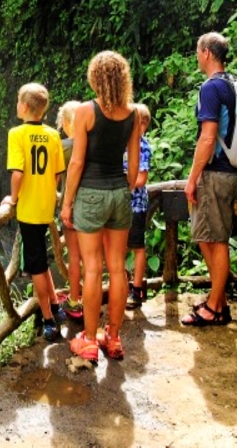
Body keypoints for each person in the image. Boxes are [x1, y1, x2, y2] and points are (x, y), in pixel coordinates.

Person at [61, 51, 140, 362]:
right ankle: (115, 338)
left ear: (95, 77)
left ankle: (90, 341)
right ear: (123, 79)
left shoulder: (85, 112)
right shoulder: (133, 114)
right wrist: (124, 186)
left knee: (93, 268)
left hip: (90, 194)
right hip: (119, 192)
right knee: (118, 268)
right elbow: (133, 167)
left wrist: (67, 203)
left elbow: (77, 161)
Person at [1, 83, 67, 342]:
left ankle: (49, 321)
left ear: (25, 107)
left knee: (36, 267)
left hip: (28, 209)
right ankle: (56, 305)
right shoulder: (53, 135)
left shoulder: (16, 134)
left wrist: (13, 199)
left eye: (18, 100)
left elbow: (17, 172)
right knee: (41, 260)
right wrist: (48, 193)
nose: (16, 105)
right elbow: (58, 173)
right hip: (46, 206)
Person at [182, 32, 237, 326]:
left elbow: (207, 138)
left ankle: (215, 308)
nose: (196, 56)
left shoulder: (211, 88)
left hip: (214, 171)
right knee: (210, 237)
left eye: (197, 51)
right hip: (229, 171)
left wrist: (192, 178)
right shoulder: (232, 84)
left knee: (214, 240)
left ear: (206, 52)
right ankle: (220, 301)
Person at [56, 100, 84, 320]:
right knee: (95, 258)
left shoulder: (64, 147)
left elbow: (53, 178)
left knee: (74, 256)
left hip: (72, 208)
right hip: (96, 206)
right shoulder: (94, 143)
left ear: (65, 122)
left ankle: (75, 300)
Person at [125, 104, 153, 309]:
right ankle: (123, 285)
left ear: (143, 125)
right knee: (119, 248)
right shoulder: (122, 145)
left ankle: (137, 289)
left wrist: (121, 185)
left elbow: (141, 179)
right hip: (120, 206)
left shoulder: (143, 146)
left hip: (136, 205)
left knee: (137, 246)